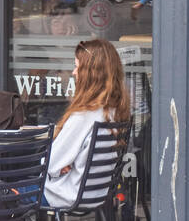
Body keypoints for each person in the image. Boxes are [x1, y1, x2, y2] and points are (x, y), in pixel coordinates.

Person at [45, 39, 131, 211]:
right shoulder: (116, 112)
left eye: (78, 67)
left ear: (91, 73)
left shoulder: (84, 116)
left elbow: (50, 164)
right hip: (96, 195)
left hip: (64, 195)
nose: (74, 72)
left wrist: (60, 164)